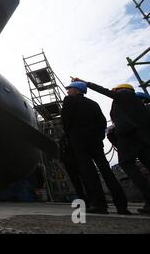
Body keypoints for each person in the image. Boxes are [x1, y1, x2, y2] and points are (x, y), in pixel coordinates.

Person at [73, 79, 150, 214]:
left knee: (127, 164)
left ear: (118, 90)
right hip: (143, 139)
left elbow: (104, 91)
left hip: (129, 137)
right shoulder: (139, 106)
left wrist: (86, 83)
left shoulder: (125, 95)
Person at [61, 81, 130, 215]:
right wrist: (98, 138)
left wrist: (71, 136)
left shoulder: (69, 100)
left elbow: (66, 120)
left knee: (89, 173)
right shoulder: (93, 104)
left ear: (76, 90)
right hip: (96, 142)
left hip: (79, 142)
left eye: (70, 89)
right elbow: (102, 122)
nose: (68, 91)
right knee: (106, 171)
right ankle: (122, 206)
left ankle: (99, 205)